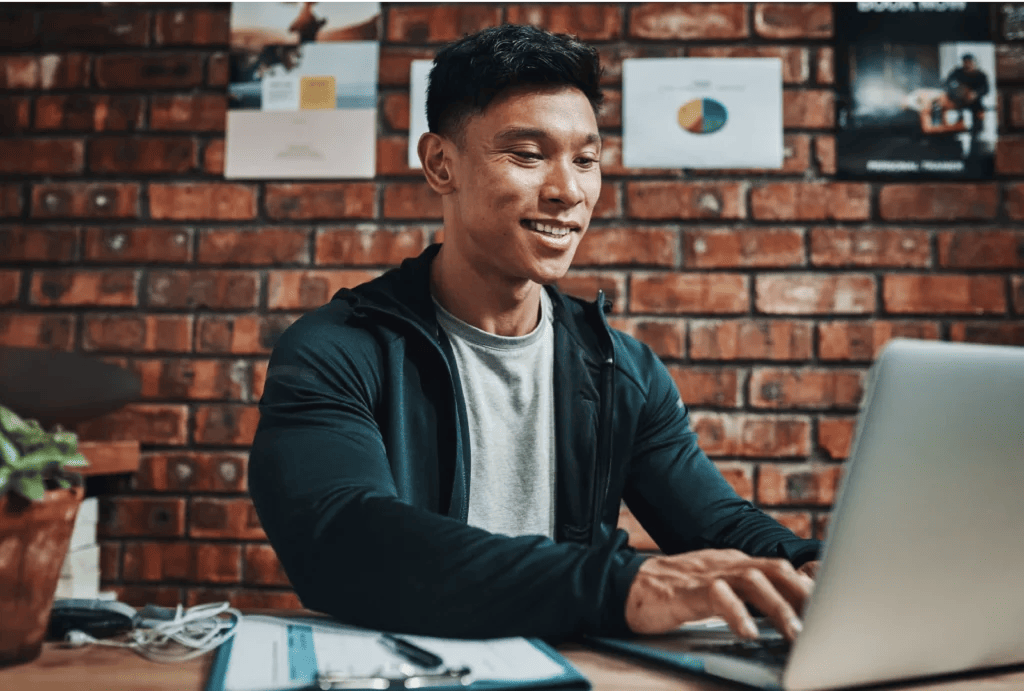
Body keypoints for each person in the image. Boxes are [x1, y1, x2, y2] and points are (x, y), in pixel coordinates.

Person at [248, 24, 821, 644]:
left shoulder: (619, 368)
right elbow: (344, 539)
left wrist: (808, 566)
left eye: (585, 160)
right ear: (441, 164)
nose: (568, 192)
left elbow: (717, 523)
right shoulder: (337, 349)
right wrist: (623, 586)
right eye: (527, 155)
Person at [943, 53, 989, 134]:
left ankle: (977, 131)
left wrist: (975, 93)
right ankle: (957, 128)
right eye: (966, 62)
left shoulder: (980, 75)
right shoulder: (957, 72)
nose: (968, 64)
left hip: (975, 101)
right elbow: (947, 83)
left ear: (974, 63)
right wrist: (959, 91)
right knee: (953, 113)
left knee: (979, 115)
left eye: (970, 62)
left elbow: (986, 89)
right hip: (959, 100)